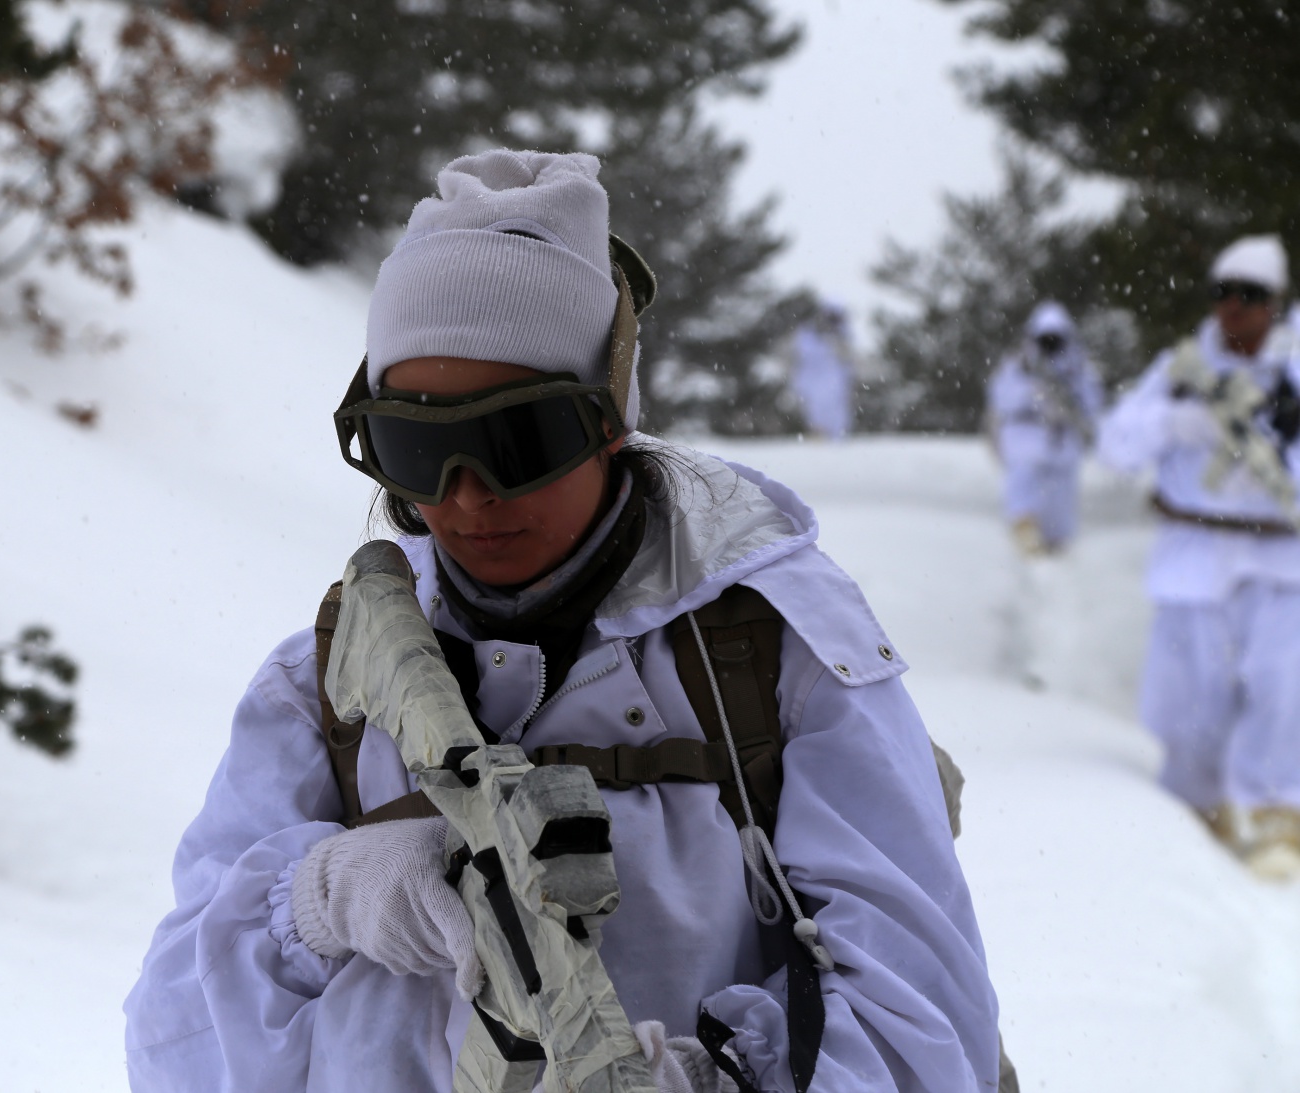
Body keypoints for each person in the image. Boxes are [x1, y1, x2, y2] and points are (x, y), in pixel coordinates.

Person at [123, 150, 1001, 1091]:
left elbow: (928, 1030)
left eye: (518, 440)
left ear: (609, 418)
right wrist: (317, 900)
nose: (466, 499)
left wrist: (710, 1080)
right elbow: (172, 1046)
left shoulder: (777, 658)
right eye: (417, 450)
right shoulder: (326, 689)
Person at [1098, 234, 1300, 879]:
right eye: (1224, 294)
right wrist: (1175, 422)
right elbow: (1116, 443)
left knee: (1281, 686)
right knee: (1191, 695)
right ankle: (1194, 813)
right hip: (1196, 552)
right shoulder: (1182, 367)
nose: (1235, 309)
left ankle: (1277, 818)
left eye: (1251, 296)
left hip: (1280, 556)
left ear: (1276, 303)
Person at [985, 302, 1104, 555]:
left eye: (1056, 338)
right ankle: (1024, 530)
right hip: (1026, 436)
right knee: (1025, 482)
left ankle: (1057, 544)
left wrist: (1068, 404)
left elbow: (1093, 403)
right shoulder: (1018, 365)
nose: (1050, 344)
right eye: (1045, 338)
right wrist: (1032, 396)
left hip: (1062, 441)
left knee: (1060, 499)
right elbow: (1000, 398)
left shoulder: (1079, 367)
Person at [787, 302, 856, 440]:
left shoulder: (841, 336)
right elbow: (796, 358)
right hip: (811, 381)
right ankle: (818, 434)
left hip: (834, 382)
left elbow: (847, 359)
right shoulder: (805, 335)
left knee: (835, 412)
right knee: (815, 411)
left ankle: (836, 437)